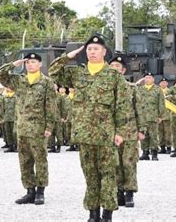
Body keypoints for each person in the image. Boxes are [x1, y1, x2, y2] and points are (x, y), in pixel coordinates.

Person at [49, 35, 127, 222]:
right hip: (84, 134)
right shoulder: (78, 74)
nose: (92, 52)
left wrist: (120, 131)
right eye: (89, 49)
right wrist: (68, 57)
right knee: (90, 175)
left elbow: (121, 105)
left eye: (96, 49)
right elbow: (53, 72)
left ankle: (107, 214)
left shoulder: (114, 75)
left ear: (104, 52)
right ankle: (93, 214)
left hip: (106, 134)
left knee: (108, 175)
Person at [0, 52, 56, 205]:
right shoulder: (19, 81)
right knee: (25, 160)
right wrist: (13, 65)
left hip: (38, 128)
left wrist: (49, 126)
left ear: (40, 64)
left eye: (33, 62)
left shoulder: (46, 82)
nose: (30, 65)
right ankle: (30, 190)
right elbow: (0, 76)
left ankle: (40, 191)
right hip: (22, 127)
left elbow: (50, 106)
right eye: (28, 62)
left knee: (40, 159)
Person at [109, 55, 142, 208]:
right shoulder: (104, 89)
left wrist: (142, 130)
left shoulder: (131, 88)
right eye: (112, 66)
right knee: (114, 164)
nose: (114, 69)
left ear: (123, 70)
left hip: (129, 132)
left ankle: (129, 193)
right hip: (110, 132)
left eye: (117, 66)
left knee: (128, 163)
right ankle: (118, 192)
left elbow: (139, 110)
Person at [136, 72, 165, 161]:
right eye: (146, 77)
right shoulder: (140, 89)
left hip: (153, 116)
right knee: (143, 135)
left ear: (153, 79)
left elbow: (161, 103)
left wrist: (160, 115)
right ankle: (145, 152)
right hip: (142, 116)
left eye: (149, 78)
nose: (147, 79)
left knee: (153, 135)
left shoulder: (157, 89)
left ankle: (154, 153)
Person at [158, 78, 172, 154]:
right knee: (160, 132)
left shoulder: (169, 91)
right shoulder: (157, 91)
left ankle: (169, 147)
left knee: (168, 132)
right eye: (161, 82)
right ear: (159, 84)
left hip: (167, 114)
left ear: (167, 83)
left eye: (164, 82)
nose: (163, 84)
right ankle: (162, 147)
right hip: (159, 115)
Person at [2, 87, 17, 152]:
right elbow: (2, 108)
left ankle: (16, 146)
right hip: (6, 117)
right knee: (8, 132)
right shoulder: (5, 97)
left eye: (9, 87)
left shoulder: (16, 96)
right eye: (7, 87)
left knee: (14, 133)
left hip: (14, 118)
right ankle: (10, 146)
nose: (8, 89)